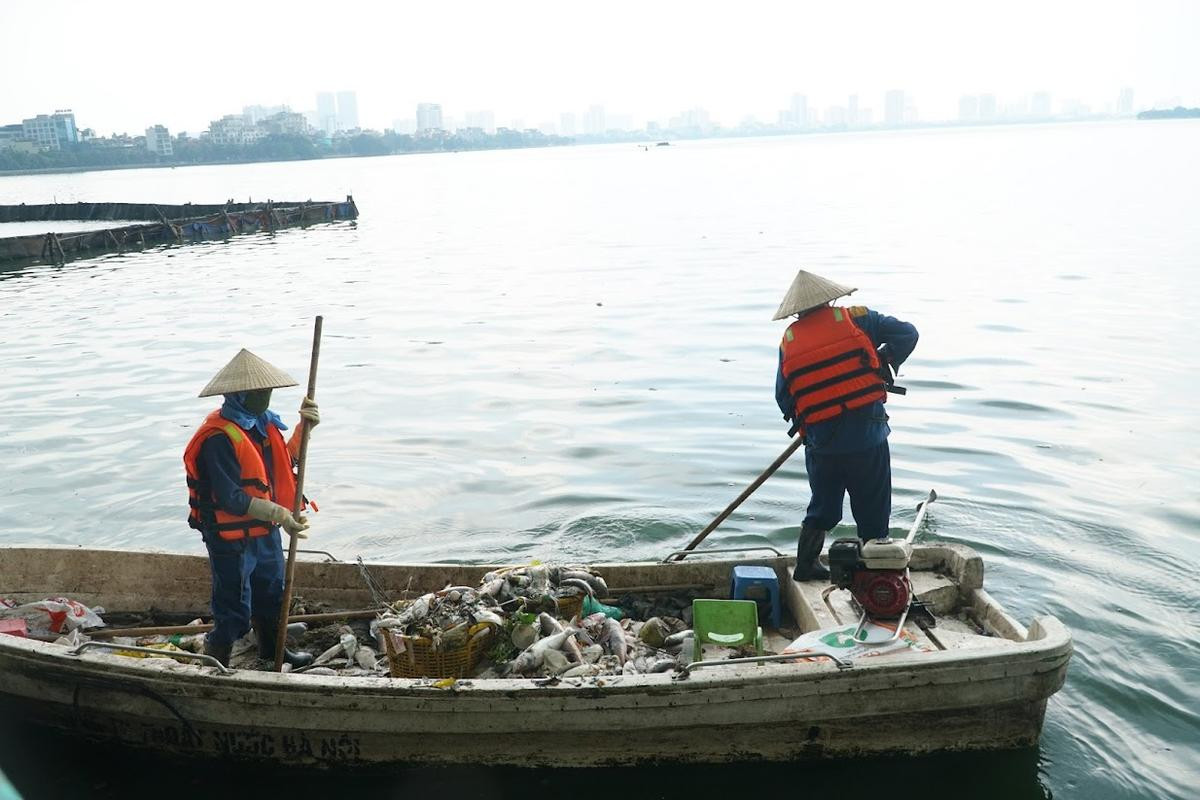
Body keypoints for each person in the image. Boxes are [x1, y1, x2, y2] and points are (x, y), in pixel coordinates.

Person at [773, 270, 919, 581]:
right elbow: (908, 334)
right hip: (868, 437)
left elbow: (784, 397)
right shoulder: (859, 319)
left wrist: (813, 421)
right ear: (831, 299)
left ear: (797, 310)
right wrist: (883, 360)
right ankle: (874, 576)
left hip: (822, 444)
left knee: (822, 508)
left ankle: (806, 565)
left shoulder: (789, 341)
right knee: (873, 512)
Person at [183, 348, 320, 667]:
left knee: (271, 594)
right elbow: (231, 497)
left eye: (267, 391)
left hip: (264, 533)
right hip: (231, 539)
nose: (265, 398)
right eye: (258, 392)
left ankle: (273, 652)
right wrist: (280, 514)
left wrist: (304, 427)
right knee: (234, 607)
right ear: (238, 394)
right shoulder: (218, 438)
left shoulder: (262, 424)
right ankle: (216, 660)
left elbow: (283, 464)